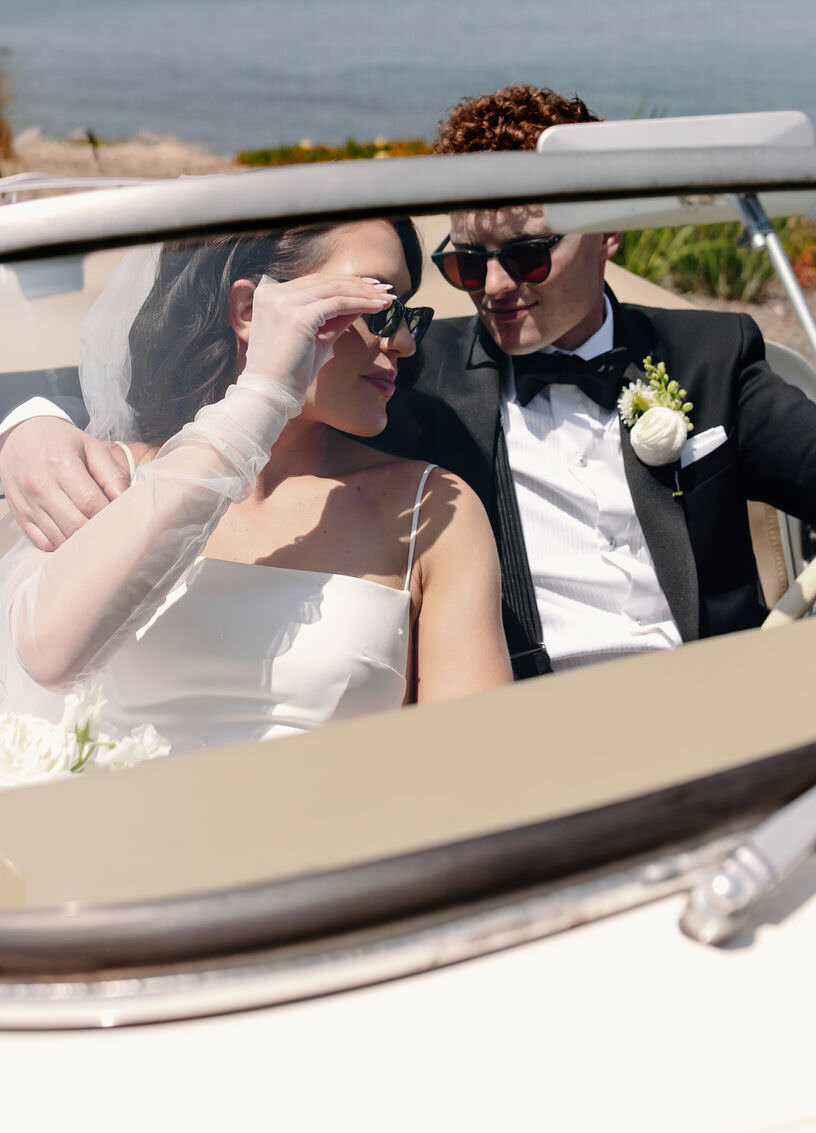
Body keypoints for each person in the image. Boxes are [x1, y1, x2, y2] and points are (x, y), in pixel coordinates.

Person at [2, 86, 816, 680]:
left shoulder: (710, 358)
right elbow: (137, 382)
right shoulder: (407, 368)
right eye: (465, 263)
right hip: (521, 726)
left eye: (528, 256)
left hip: (711, 714)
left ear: (612, 229)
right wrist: (29, 427)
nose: (492, 289)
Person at [0, 218, 511, 751]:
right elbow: (48, 657)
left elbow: (472, 760)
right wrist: (261, 398)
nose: (403, 342)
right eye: (379, 308)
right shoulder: (99, 477)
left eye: (405, 312)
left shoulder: (430, 509)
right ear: (250, 312)